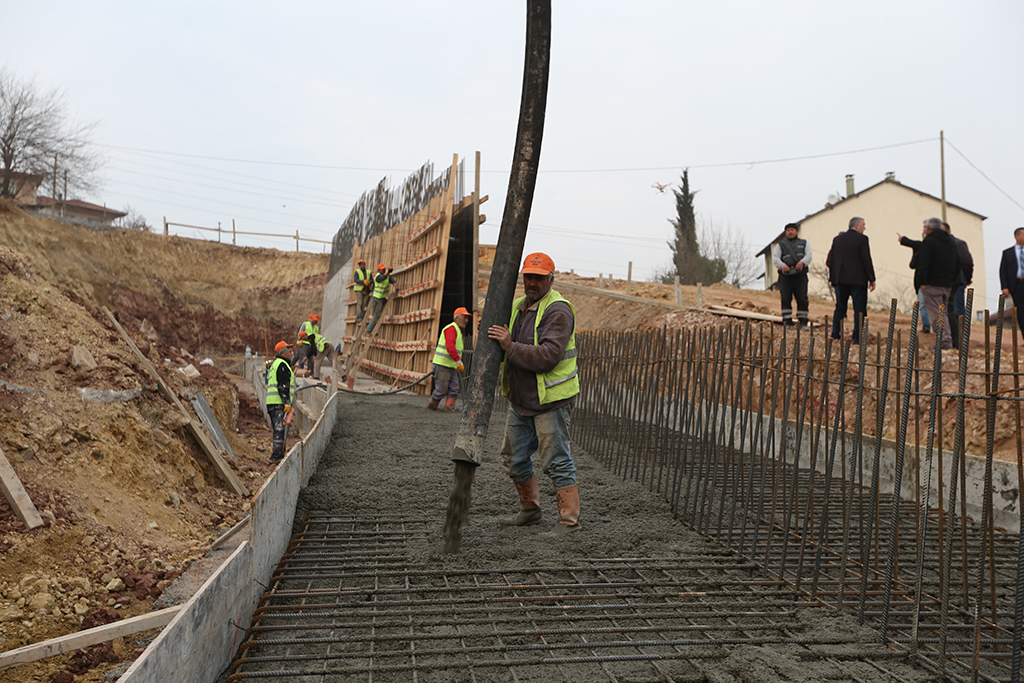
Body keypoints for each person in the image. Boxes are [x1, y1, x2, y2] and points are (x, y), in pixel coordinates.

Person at [488, 252, 581, 536]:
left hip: (550, 402)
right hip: (521, 400)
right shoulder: (520, 306)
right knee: (513, 459)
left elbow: (549, 356)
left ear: (550, 279)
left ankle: (568, 521)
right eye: (528, 276)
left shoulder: (558, 310)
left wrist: (510, 347)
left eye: (539, 278)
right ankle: (530, 510)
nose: (532, 282)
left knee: (556, 461)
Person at [913, 217, 960, 350]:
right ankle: (947, 340)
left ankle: (944, 342)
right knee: (944, 312)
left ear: (928, 228)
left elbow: (924, 263)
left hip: (932, 284)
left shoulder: (929, 241)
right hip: (947, 284)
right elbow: (957, 262)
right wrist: (952, 280)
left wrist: (922, 282)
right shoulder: (951, 241)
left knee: (937, 314)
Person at [827, 217, 876, 344]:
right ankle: (858, 338)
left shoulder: (837, 239)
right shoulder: (862, 239)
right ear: (857, 225)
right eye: (863, 225)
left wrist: (833, 280)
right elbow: (866, 259)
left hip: (841, 280)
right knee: (859, 310)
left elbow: (832, 261)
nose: (864, 228)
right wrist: (872, 278)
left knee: (839, 308)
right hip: (857, 280)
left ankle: (835, 335)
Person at [429, 307, 470, 412]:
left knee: (454, 388)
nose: (467, 320)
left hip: (451, 365)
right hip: (443, 365)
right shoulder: (451, 329)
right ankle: (432, 406)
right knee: (441, 389)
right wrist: (458, 360)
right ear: (457, 318)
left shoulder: (457, 330)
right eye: (465, 317)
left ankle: (449, 408)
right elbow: (450, 347)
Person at [772, 222, 812, 327]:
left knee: (802, 298)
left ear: (796, 231)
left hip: (800, 276)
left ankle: (803, 321)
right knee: (785, 298)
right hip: (785, 276)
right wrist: (782, 266)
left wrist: (802, 263)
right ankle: (787, 321)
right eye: (788, 230)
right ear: (785, 232)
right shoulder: (780, 245)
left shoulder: (804, 243)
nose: (790, 232)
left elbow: (809, 255)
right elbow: (775, 258)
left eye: (792, 230)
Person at [897, 225, 932, 334]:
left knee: (931, 305)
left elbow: (910, 242)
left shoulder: (935, 248)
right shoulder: (920, 247)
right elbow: (912, 264)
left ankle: (936, 329)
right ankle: (927, 327)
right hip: (921, 282)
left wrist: (903, 239)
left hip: (932, 282)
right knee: (923, 305)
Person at [943, 221, 973, 347]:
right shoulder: (940, 245)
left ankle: (962, 340)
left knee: (958, 310)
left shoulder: (958, 243)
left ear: (949, 231)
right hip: (944, 282)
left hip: (957, 282)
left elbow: (967, 262)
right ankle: (954, 338)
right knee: (948, 310)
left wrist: (966, 278)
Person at [266, 341, 295, 463]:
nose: (292, 353)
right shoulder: (282, 365)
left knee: (279, 429)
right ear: (282, 354)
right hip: (278, 403)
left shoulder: (276, 364)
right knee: (279, 429)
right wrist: (287, 403)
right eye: (290, 351)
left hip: (273, 402)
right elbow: (283, 386)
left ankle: (280, 454)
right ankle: (276, 457)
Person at [998, 227, 1024, 339]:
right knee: (1021, 313)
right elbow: (1003, 270)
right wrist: (1005, 287)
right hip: (1017, 286)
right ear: (1017, 236)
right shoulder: (1007, 253)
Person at [365, 264, 395, 334]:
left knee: (378, 313)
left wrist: (396, 287)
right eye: (382, 269)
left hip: (382, 297)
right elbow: (383, 278)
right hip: (377, 298)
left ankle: (373, 329)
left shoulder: (387, 276)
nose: (384, 270)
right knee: (376, 314)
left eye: (384, 269)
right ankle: (369, 330)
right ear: (378, 270)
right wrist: (388, 272)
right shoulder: (378, 276)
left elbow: (393, 281)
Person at [353, 258, 372, 323]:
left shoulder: (369, 272)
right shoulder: (357, 271)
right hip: (359, 290)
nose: (361, 265)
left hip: (366, 290)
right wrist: (363, 281)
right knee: (360, 303)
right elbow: (356, 280)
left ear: (365, 265)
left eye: (362, 264)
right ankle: (358, 317)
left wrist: (369, 282)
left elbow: (372, 280)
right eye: (360, 264)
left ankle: (361, 317)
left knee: (364, 304)